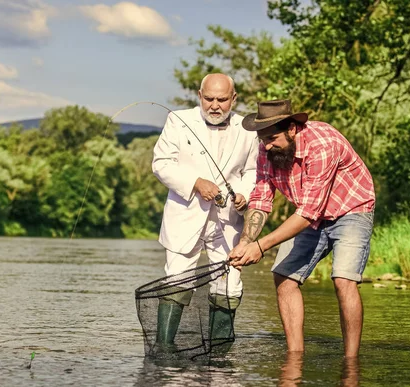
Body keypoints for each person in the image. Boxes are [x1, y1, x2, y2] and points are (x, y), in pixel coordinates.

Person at [229, 99, 375, 357]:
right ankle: (295, 356)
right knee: (283, 277)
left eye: (272, 138)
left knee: (343, 280)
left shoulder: (322, 144)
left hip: (351, 208)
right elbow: (262, 197)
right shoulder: (266, 149)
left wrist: (260, 247)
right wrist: (245, 241)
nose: (267, 145)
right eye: (263, 140)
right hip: (310, 213)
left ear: (292, 129)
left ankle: (351, 361)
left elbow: (308, 214)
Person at [151, 73, 259, 351]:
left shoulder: (249, 128)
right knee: (176, 280)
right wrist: (195, 183)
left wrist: (245, 194)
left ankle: (219, 357)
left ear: (233, 99)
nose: (214, 105)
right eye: (209, 98)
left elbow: (253, 171)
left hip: (228, 222)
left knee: (229, 286)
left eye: (222, 100)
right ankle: (164, 351)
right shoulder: (178, 120)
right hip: (184, 218)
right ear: (199, 96)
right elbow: (161, 164)